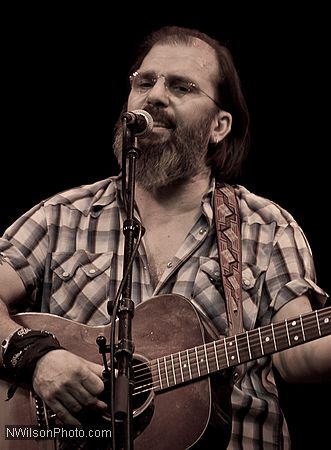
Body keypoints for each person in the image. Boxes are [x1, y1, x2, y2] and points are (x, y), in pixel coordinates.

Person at [0, 25, 330, 450]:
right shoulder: (61, 216)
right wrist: (36, 357)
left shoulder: (266, 226)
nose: (155, 95)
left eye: (182, 87)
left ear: (219, 125)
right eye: (145, 81)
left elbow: (297, 356)